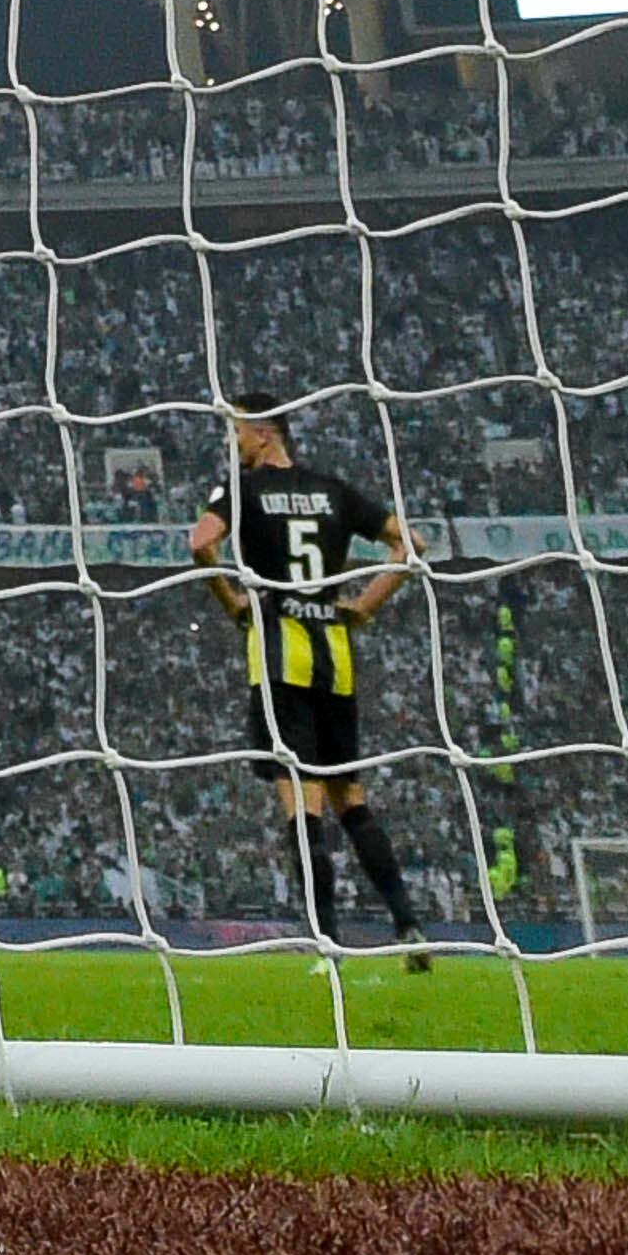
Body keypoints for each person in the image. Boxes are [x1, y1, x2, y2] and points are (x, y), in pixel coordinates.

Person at [189, 390, 428, 966]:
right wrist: (365, 605)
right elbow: (411, 544)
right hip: (335, 659)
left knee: (301, 803)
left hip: (280, 656)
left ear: (264, 432)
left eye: (238, 432)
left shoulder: (243, 489)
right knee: (351, 799)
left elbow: (200, 543)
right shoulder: (334, 490)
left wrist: (232, 601)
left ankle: (327, 942)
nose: (235, 443)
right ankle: (410, 926)